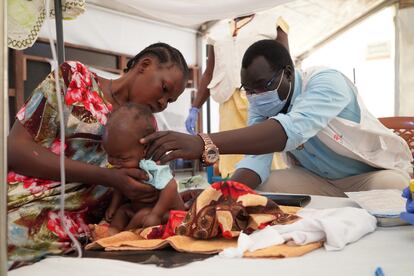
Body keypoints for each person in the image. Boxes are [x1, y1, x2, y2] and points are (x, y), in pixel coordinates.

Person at [142, 39, 413, 197]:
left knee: (393, 187)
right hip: (318, 180)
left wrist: (203, 143)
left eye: (262, 85)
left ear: (288, 72)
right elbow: (255, 162)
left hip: (366, 178)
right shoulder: (261, 104)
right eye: (248, 89)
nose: (255, 96)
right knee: (254, 192)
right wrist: (216, 195)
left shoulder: (326, 81)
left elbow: (289, 130)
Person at [7, 42, 189, 268]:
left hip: (84, 234)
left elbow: (149, 191)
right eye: (164, 89)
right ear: (145, 65)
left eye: (170, 101)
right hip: (24, 208)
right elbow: (14, 149)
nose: (163, 103)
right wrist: (107, 177)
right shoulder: (74, 80)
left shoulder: (149, 129)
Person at [185, 14, 289, 178]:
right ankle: (237, 196)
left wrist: (288, 101)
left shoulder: (272, 20)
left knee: (266, 150)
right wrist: (195, 107)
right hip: (228, 102)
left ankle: (273, 195)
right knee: (231, 153)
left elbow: (286, 64)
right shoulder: (217, 30)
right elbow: (209, 72)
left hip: (262, 99)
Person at [100, 103, 184, 237]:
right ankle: (113, 231)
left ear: (145, 150)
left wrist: (156, 214)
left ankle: (127, 235)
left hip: (165, 212)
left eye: (121, 158)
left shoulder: (152, 166)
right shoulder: (125, 164)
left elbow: (171, 186)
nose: (114, 162)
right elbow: (119, 187)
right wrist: (113, 206)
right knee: (122, 211)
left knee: (142, 215)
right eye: (110, 155)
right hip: (138, 209)